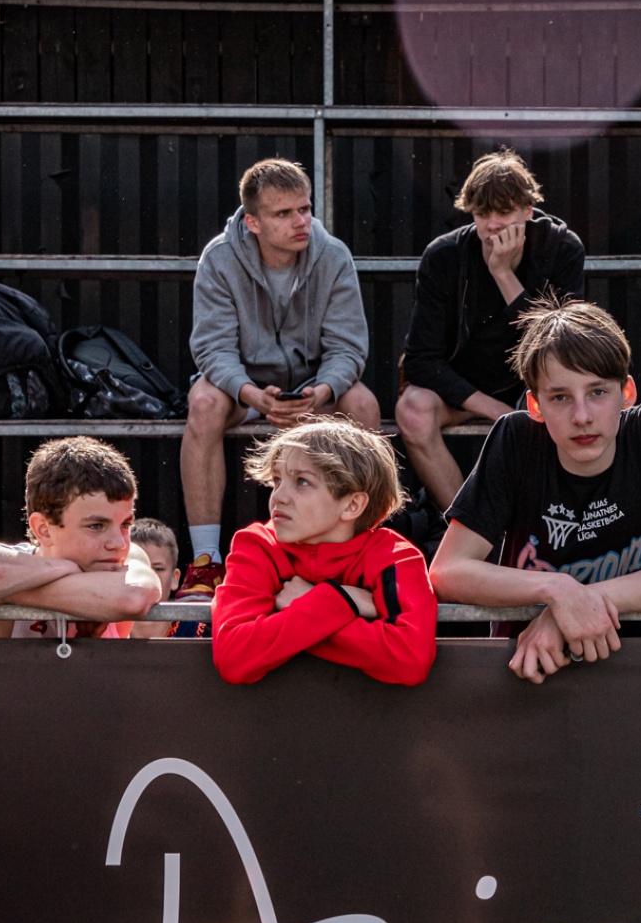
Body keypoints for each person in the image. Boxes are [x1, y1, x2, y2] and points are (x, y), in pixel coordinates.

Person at [431, 299, 641, 685]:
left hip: (627, 672)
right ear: (535, 405)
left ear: (627, 393)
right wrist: (557, 589)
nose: (582, 416)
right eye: (560, 397)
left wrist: (575, 605)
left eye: (598, 392)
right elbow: (447, 571)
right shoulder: (516, 438)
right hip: (524, 669)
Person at [179, 157, 377, 599]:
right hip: (244, 389)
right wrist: (251, 393)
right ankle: (206, 562)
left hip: (313, 386)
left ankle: (361, 549)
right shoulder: (220, 258)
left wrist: (321, 391)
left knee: (363, 404)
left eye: (305, 209)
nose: (301, 222)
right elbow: (212, 349)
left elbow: (347, 347)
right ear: (252, 222)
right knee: (203, 403)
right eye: (284, 213)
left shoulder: (333, 255)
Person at [398, 150, 586, 509]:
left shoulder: (560, 247)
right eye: (483, 214)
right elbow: (421, 359)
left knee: (570, 403)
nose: (493, 225)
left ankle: (547, 521)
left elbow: (562, 344)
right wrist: (494, 409)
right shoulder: (444, 256)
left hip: (533, 384)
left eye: (504, 212)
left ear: (528, 211)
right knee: (412, 409)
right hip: (461, 388)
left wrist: (502, 273)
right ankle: (462, 522)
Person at [212, 416, 437, 685]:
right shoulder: (257, 545)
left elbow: (409, 661)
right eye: (277, 480)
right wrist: (343, 600)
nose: (278, 497)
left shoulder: (396, 556)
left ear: (352, 505)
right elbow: (234, 656)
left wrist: (306, 605)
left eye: (302, 482)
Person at [0, 437, 162, 641]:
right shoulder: (6, 561)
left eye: (125, 525)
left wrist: (2, 594)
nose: (119, 543)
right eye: (96, 526)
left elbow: (134, 597)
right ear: (43, 530)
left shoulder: (124, 559)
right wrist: (68, 569)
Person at [130, 517, 184, 638]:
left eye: (158, 569)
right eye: (137, 568)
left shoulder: (201, 634)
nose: (148, 578)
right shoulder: (100, 631)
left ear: (174, 578)